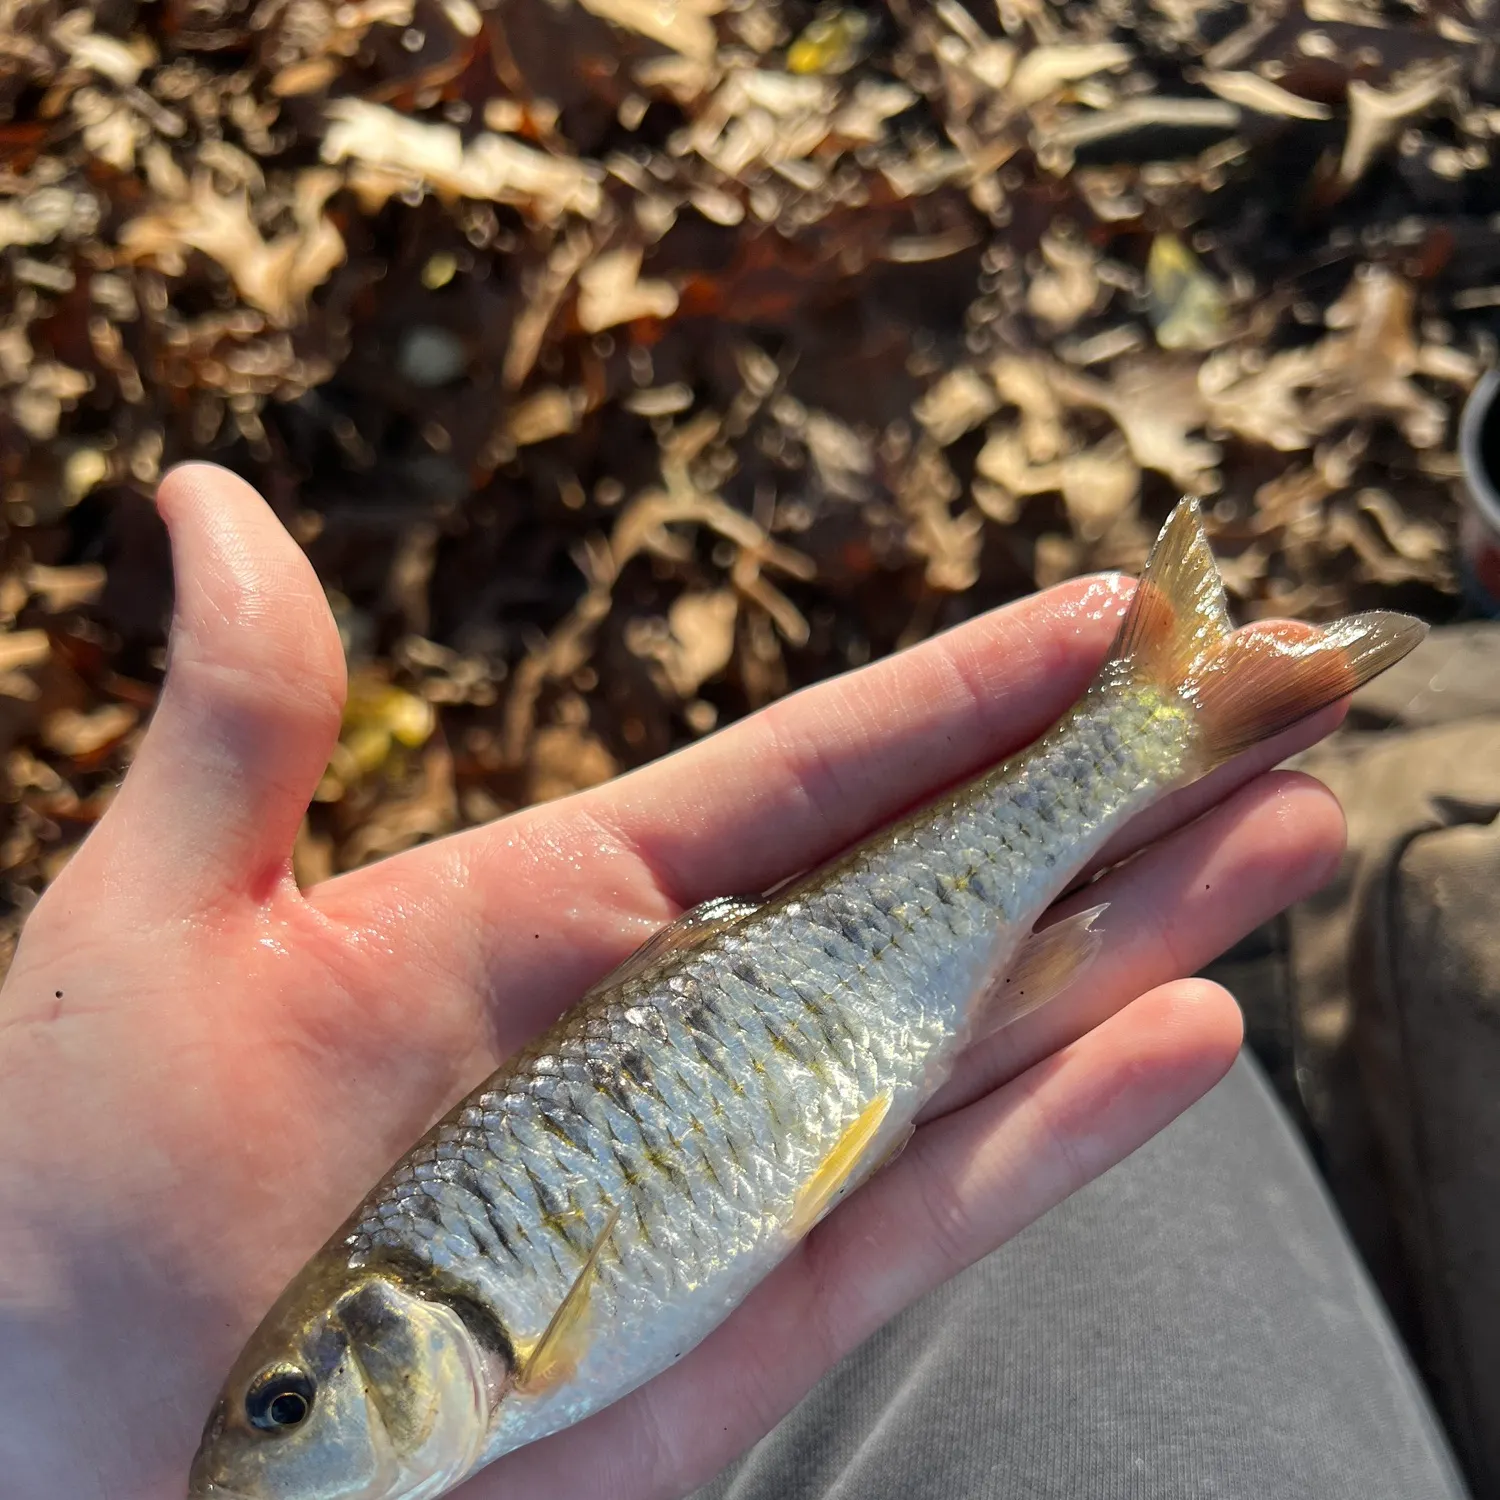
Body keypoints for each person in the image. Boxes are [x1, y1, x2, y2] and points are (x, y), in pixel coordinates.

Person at [0, 465, 1466, 1500]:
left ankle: (1151, 723)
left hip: (844, 1027)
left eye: (285, 1408)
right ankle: (1168, 720)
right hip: (856, 1047)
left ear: (385, 1351)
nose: (257, 1461)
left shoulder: (488, 1359)